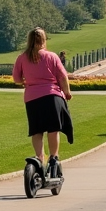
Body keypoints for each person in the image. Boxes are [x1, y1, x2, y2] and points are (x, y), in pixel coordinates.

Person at [13, 28, 74, 176]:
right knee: (53, 130)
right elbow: (62, 77)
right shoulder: (51, 56)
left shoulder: (22, 58)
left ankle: (40, 157)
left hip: (32, 98)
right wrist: (67, 92)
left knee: (37, 131)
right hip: (52, 96)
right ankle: (54, 157)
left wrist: (27, 81)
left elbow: (16, 79)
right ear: (44, 40)